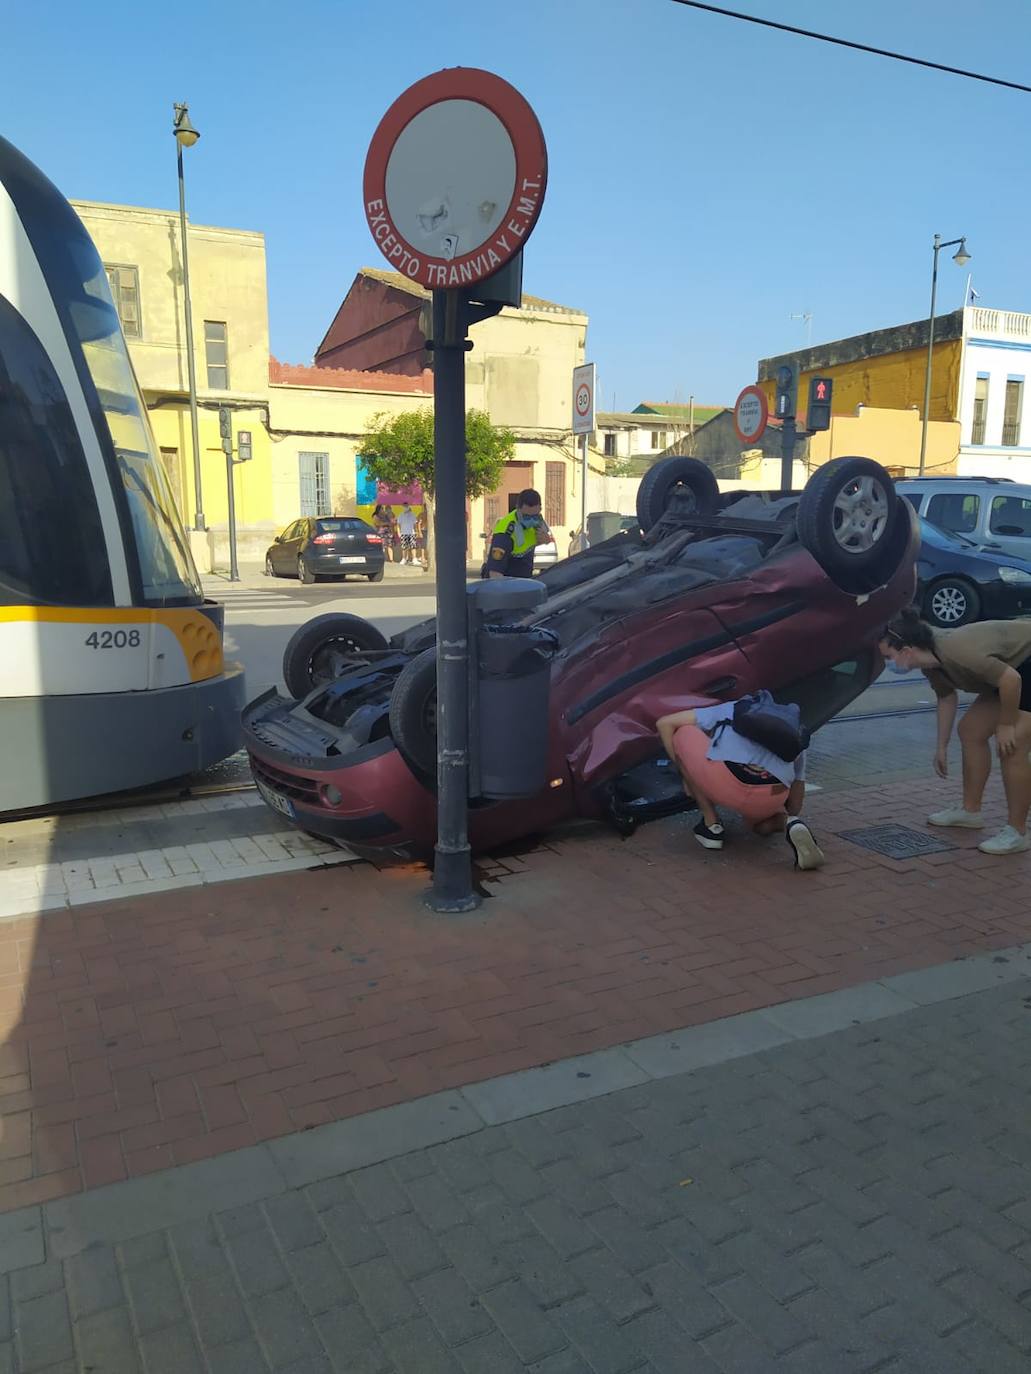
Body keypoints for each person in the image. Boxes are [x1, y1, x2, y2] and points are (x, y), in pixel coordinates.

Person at [879, 607, 1031, 855]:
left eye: (888, 657)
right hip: (1011, 670)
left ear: (906, 650)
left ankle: (1018, 832)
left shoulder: (957, 652)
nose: (887, 664)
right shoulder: (930, 664)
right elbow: (946, 697)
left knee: (1013, 743)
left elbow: (1011, 680)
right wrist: (941, 746)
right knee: (971, 730)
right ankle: (970, 812)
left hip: (1022, 667)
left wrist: (1006, 724)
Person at [654, 698, 825, 869]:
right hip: (770, 795)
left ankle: (711, 826)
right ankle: (789, 824)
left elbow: (664, 723)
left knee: (682, 732)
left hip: (725, 783)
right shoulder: (793, 732)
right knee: (761, 826)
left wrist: (686, 773)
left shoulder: (733, 707)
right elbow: (796, 797)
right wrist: (789, 813)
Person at [483, 489, 553, 579]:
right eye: (526, 516)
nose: (531, 520)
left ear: (540, 509)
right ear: (517, 509)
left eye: (534, 516)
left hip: (524, 579)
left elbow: (533, 542)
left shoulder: (538, 521)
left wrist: (545, 540)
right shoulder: (505, 532)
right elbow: (495, 574)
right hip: (508, 583)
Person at [397, 501, 418, 566]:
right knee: (404, 547)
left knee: (413, 546)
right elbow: (398, 525)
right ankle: (404, 559)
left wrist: (416, 532)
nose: (405, 507)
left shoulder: (413, 514)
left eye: (406, 506)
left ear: (408, 506)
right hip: (403, 533)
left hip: (412, 533)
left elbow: (415, 524)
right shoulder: (400, 515)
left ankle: (414, 559)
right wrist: (398, 533)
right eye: (404, 506)